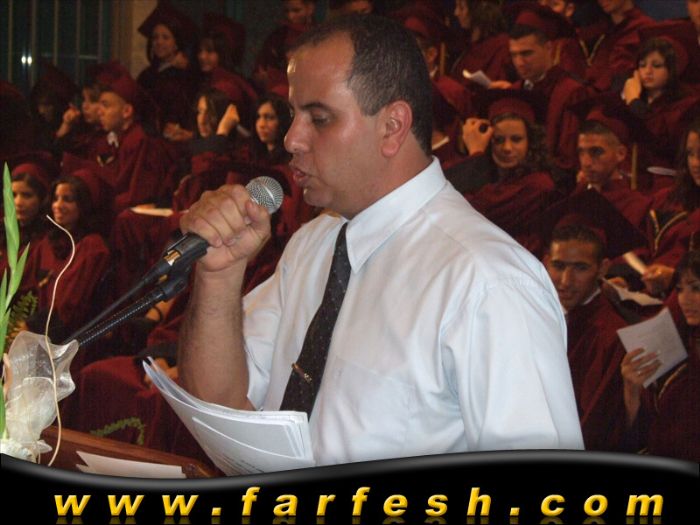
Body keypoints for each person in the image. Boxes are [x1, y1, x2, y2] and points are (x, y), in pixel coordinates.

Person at [177, 14, 583, 466]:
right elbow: (218, 403)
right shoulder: (314, 244)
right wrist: (218, 277)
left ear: (392, 126)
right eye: (293, 115)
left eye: (319, 118)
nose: (292, 139)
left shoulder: (487, 283)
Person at [447, 90, 558, 250]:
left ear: (531, 142)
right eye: (498, 140)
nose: (507, 148)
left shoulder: (539, 184)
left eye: (516, 139)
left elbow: (472, 212)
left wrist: (476, 153)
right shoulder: (490, 174)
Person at [490, 3, 590, 174]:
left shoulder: (571, 92)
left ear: (548, 48)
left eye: (526, 53)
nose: (519, 62)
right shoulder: (515, 91)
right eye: (514, 55)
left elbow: (568, 160)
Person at [620, 250, 700, 462]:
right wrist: (632, 391)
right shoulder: (680, 347)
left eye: (696, 288)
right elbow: (641, 435)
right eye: (679, 290)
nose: (685, 299)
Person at [21, 175, 110, 344]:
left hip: (70, 338)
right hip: (36, 328)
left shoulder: (93, 247)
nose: (58, 205)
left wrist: (28, 327)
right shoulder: (47, 243)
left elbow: (69, 309)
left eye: (67, 200)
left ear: (83, 205)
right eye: (55, 199)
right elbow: (25, 287)